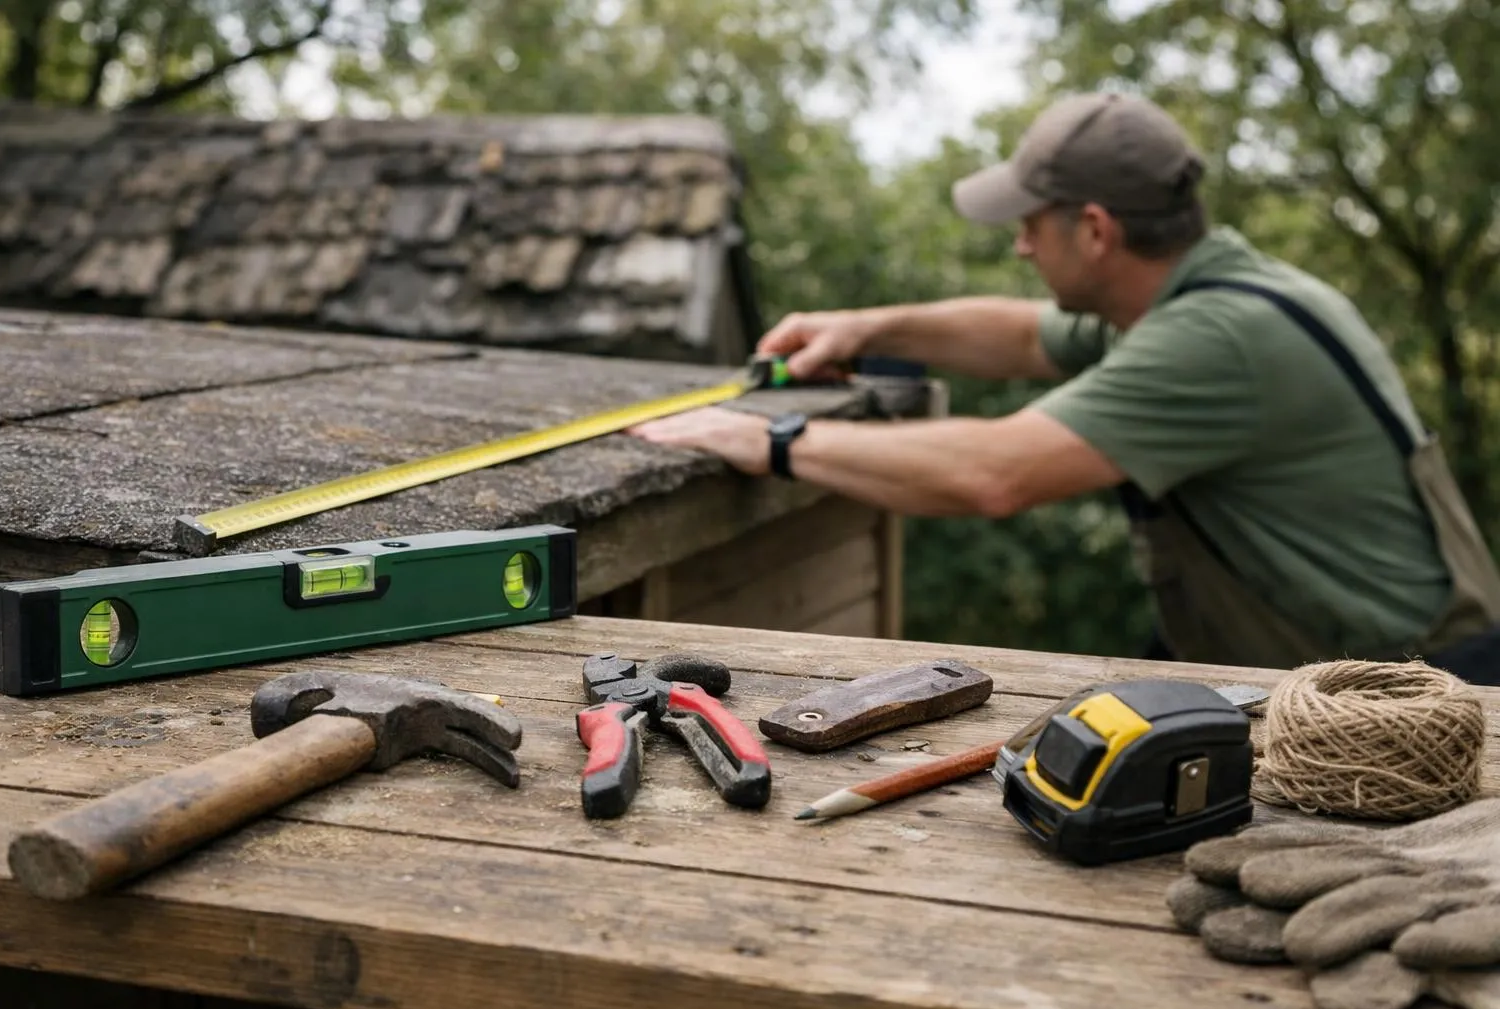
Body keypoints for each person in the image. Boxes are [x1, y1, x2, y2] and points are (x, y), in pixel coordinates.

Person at [626, 90, 1500, 680]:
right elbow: (1019, 334)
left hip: (1420, 700)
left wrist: (775, 441)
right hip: (1345, 665)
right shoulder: (1209, 291)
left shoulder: (1216, 341)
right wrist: (868, 327)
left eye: (1029, 225)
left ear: (1093, 229)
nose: (1018, 247)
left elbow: (996, 474)